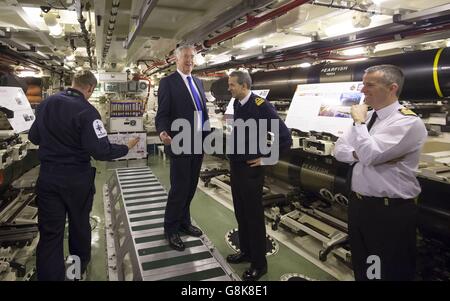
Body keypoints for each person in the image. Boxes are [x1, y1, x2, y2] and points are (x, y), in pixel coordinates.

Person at [28, 70, 139, 281]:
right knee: (79, 226)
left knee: (51, 234)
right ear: (90, 88)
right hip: (76, 179)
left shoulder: (45, 104)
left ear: (73, 83)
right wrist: (126, 147)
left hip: (49, 177)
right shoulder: (88, 112)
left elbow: (34, 137)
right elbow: (101, 151)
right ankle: (76, 271)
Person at [333, 65, 427, 281]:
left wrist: (358, 124)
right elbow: (339, 150)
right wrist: (362, 153)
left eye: (369, 85)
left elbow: (371, 155)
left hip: (388, 212)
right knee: (363, 265)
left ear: (392, 88)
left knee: (387, 270)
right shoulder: (369, 118)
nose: (363, 90)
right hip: (360, 206)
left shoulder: (406, 121)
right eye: (363, 84)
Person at [226, 70, 292, 281]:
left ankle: (259, 264)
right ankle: (246, 252)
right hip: (236, 165)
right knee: (241, 213)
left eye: (232, 85)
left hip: (251, 170)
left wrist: (266, 159)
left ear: (244, 86)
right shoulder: (237, 103)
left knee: (253, 217)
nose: (229, 88)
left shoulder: (261, 106)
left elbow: (285, 137)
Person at [155, 44, 209, 251]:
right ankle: (170, 228)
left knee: (191, 186)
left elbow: (201, 112)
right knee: (179, 188)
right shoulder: (168, 82)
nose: (189, 61)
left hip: (198, 143)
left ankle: (184, 222)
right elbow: (163, 114)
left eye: (192, 58)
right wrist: (162, 132)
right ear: (176, 59)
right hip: (179, 141)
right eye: (185, 57)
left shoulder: (198, 81)